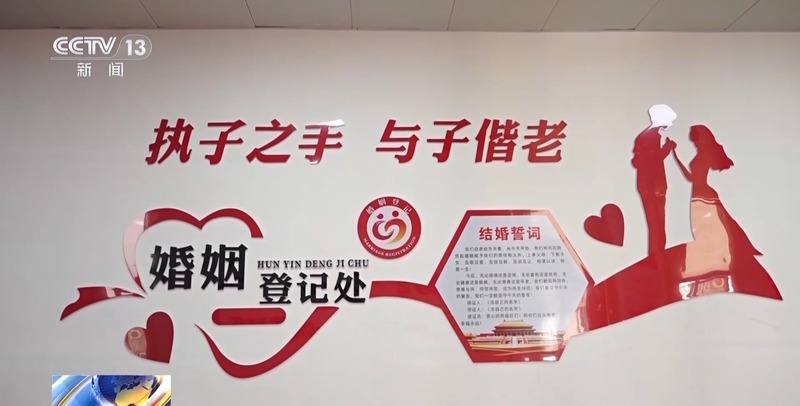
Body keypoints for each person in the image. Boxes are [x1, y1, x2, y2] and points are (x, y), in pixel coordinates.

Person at [671, 124, 780, 298]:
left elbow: (695, 177)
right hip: (697, 195)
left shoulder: (705, 155)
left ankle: (721, 263)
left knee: (713, 228)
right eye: (694, 140)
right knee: (706, 229)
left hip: (703, 196)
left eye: (696, 139)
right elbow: (691, 178)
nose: (695, 143)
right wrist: (675, 156)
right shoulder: (701, 155)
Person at [631, 104, 677, 268]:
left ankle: (657, 258)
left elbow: (644, 160)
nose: (670, 124)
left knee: (657, 224)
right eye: (669, 120)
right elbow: (651, 160)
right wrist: (668, 148)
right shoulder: (650, 137)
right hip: (652, 185)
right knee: (657, 224)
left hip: (650, 185)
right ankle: (657, 259)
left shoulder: (646, 136)